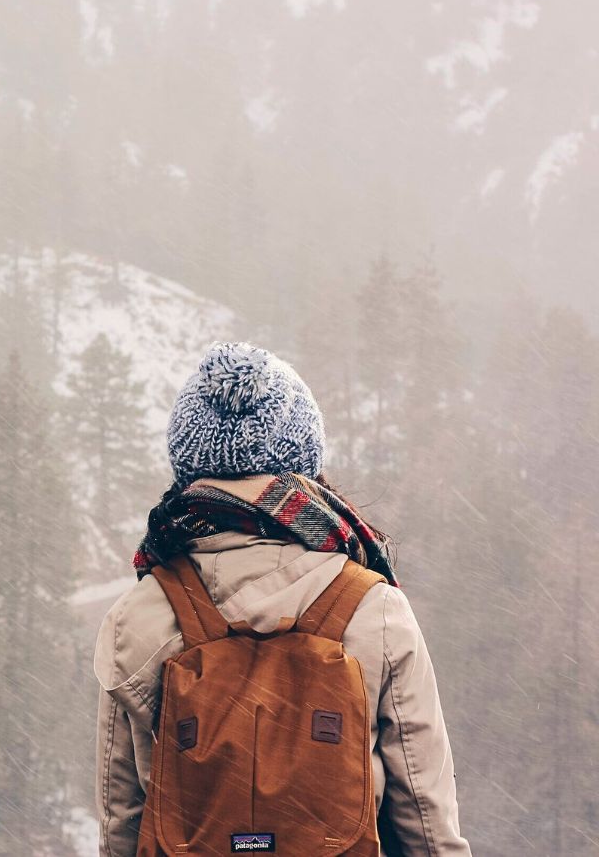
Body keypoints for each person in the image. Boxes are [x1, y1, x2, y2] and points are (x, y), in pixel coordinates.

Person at [94, 341, 470, 856]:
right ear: (305, 463)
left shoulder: (138, 617)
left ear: (186, 465)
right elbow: (426, 822)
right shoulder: (373, 609)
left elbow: (124, 824)